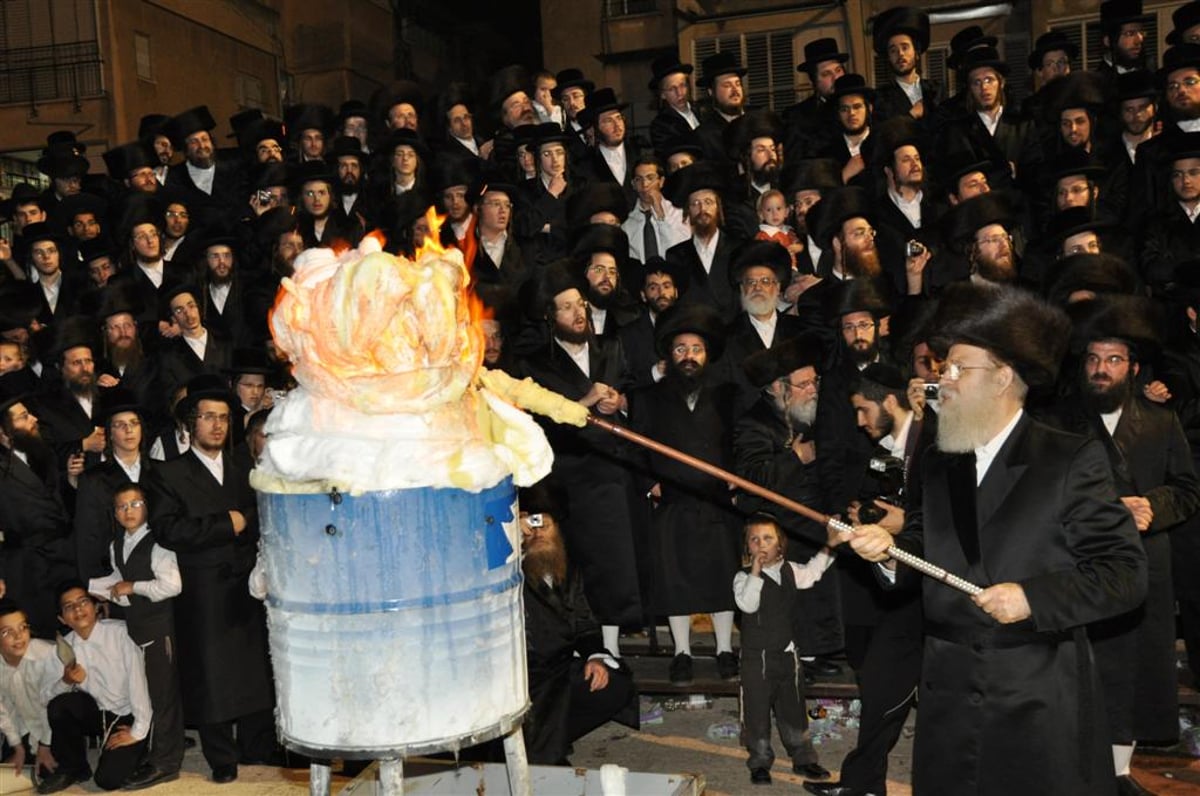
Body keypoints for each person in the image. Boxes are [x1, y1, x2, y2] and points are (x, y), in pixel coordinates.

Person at [849, 281, 1149, 795]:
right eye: (943, 368)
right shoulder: (941, 458)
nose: (944, 381)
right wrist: (887, 552)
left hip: (1035, 687)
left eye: (960, 369)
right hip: (948, 684)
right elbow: (925, 541)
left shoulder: (1069, 458)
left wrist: (1033, 597)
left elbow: (1124, 574)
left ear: (1004, 377)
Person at [146, 375, 277, 783]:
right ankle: (221, 756)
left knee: (254, 669)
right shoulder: (169, 473)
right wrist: (226, 523)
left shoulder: (245, 466)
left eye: (223, 418)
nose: (217, 425)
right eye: (208, 418)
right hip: (202, 591)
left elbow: (263, 516)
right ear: (190, 425)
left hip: (247, 584)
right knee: (211, 674)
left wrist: (245, 524)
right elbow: (170, 530)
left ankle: (258, 747)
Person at [628, 304, 742, 685]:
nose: (688, 356)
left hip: (716, 502)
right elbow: (636, 446)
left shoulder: (727, 395)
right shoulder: (648, 397)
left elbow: (740, 441)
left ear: (707, 355)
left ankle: (725, 649)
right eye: (680, 349)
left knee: (722, 577)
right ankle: (682, 653)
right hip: (672, 501)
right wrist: (649, 482)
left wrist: (737, 478)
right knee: (675, 579)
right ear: (669, 356)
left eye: (696, 348)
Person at [517, 480, 636, 765]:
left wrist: (595, 656)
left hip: (559, 667)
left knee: (615, 685)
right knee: (546, 700)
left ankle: (549, 741)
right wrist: (513, 533)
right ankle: (544, 751)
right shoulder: (509, 570)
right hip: (524, 672)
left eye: (544, 525)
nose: (537, 533)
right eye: (530, 527)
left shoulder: (567, 567)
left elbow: (584, 623)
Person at [87, 484, 184, 790]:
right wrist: (101, 587)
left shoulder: (158, 543)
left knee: (163, 695)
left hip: (159, 630)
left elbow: (171, 586)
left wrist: (133, 587)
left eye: (135, 504)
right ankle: (156, 752)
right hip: (136, 627)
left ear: (146, 507)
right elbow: (120, 579)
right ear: (114, 513)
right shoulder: (118, 543)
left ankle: (166, 763)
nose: (128, 511)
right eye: (121, 507)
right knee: (147, 691)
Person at [735, 514, 841, 786]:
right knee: (756, 713)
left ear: (780, 545)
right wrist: (756, 572)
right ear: (747, 546)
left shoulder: (791, 570)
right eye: (754, 539)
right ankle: (759, 760)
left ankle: (804, 758)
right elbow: (747, 604)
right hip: (756, 659)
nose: (761, 544)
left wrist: (830, 545)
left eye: (768, 538)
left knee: (793, 710)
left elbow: (814, 572)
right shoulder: (743, 577)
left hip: (787, 655)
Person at [40, 583, 150, 793]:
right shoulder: (63, 648)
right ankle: (74, 768)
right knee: (60, 705)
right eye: (69, 606)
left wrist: (138, 731)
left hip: (127, 715)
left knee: (107, 780)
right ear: (62, 618)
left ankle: (144, 749)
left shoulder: (120, 633)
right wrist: (66, 681)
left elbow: (139, 683)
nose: (78, 609)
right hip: (96, 715)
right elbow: (45, 698)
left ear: (96, 606)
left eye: (83, 602)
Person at [0, 601, 63, 785]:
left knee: (48, 773)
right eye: (7, 632)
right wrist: (17, 747)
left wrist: (45, 745)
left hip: (53, 726)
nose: (18, 636)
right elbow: (3, 710)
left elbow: (51, 704)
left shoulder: (47, 654)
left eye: (22, 627)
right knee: (10, 775)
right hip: (24, 727)